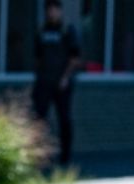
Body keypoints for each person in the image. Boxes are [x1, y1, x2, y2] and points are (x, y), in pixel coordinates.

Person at [33, 1, 82, 167]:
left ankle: (66, 157)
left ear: (60, 11)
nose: (52, 13)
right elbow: (38, 57)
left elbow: (75, 58)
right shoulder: (41, 30)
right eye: (49, 10)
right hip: (44, 82)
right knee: (39, 118)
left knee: (65, 119)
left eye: (55, 10)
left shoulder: (67, 30)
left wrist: (65, 78)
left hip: (62, 84)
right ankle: (38, 156)